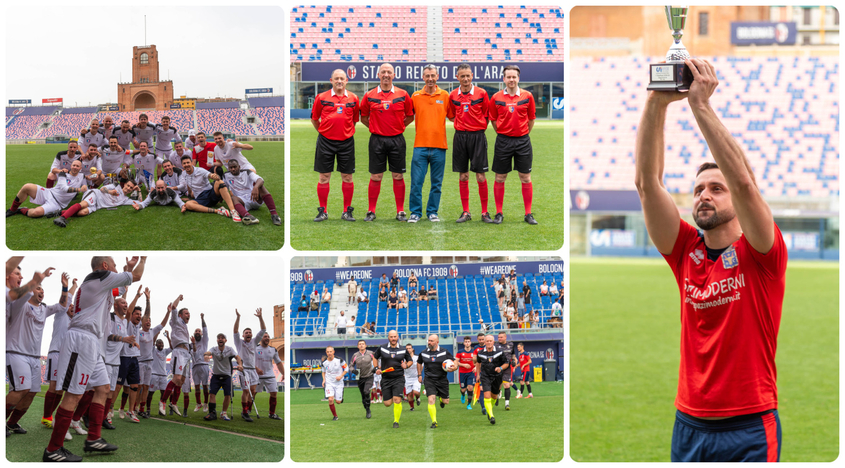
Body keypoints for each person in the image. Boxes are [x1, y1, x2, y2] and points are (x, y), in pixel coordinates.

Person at [635, 58, 787, 462]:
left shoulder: (762, 253)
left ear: (735, 199)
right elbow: (648, 185)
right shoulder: (686, 250)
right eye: (699, 188)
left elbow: (744, 182)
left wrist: (700, 105)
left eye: (716, 188)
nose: (704, 194)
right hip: (688, 421)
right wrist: (657, 101)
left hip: (750, 423)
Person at [42, 256, 145, 462]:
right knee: (74, 395)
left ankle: (93, 438)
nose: (116, 270)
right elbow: (137, 276)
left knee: (103, 388)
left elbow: (123, 287)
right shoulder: (101, 278)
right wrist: (143, 259)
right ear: (105, 267)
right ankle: (53, 450)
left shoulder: (103, 284)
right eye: (114, 266)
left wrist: (126, 268)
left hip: (92, 342)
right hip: (81, 339)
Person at [7, 269, 64, 436]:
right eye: (39, 289)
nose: (42, 292)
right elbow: (20, 294)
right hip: (16, 352)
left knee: (31, 392)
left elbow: (62, 306)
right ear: (31, 291)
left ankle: (12, 423)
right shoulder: (19, 305)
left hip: (34, 357)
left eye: (43, 290)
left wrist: (65, 288)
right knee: (20, 390)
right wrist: (36, 280)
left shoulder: (44, 309)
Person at [359, 63, 415, 222]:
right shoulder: (369, 95)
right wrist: (374, 128)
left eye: (389, 72)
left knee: (398, 175)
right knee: (376, 176)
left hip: (397, 139)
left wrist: (400, 126)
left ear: (394, 75)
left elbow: (410, 115)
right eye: (383, 72)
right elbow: (363, 117)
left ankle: (400, 211)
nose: (386, 74)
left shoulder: (403, 94)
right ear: (378, 75)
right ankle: (371, 211)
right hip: (377, 140)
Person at [489, 65, 538, 225]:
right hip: (503, 141)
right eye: (508, 77)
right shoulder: (496, 97)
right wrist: (504, 133)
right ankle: (499, 213)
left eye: (514, 77)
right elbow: (493, 120)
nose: (511, 80)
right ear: (504, 79)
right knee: (500, 177)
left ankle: (528, 214)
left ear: (518, 78)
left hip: (523, 141)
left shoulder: (527, 96)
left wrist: (522, 133)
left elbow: (531, 119)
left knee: (525, 177)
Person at [311, 69, 360, 222]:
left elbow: (354, 120)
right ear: (331, 80)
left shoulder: (354, 98)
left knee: (347, 177)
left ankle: (347, 211)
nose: (339, 81)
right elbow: (314, 119)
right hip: (326, 142)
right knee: (324, 176)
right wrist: (324, 131)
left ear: (347, 81)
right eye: (336, 78)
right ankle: (323, 211)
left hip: (346, 142)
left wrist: (344, 131)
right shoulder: (321, 98)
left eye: (342, 78)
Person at [448, 63, 493, 223]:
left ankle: (485, 212)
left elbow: (487, 115)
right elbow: (452, 115)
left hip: (478, 137)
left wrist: (476, 128)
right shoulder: (452, 95)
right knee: (463, 175)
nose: (465, 78)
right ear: (457, 77)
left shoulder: (482, 93)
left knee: (480, 176)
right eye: (462, 76)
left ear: (472, 76)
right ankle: (466, 212)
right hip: (460, 137)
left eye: (468, 75)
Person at [408, 65, 453, 222]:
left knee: (436, 184)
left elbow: (454, 116)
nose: (430, 78)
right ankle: (415, 212)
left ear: (437, 76)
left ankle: (432, 211)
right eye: (427, 75)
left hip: (440, 146)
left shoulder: (445, 95)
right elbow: (407, 116)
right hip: (419, 146)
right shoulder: (416, 96)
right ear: (423, 77)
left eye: (432, 75)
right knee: (416, 183)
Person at [41, 278, 78, 433]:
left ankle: (51, 416)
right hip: (56, 353)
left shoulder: (74, 322)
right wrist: (72, 286)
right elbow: (65, 300)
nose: (71, 307)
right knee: (54, 387)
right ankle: (46, 417)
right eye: (69, 305)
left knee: (61, 389)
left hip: (67, 357)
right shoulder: (61, 314)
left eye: (73, 307)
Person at [7, 160, 87, 219]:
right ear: (71, 166)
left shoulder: (82, 176)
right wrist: (79, 189)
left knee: (35, 213)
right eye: (74, 165)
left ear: (80, 168)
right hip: (49, 193)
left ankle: (21, 210)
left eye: (77, 166)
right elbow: (64, 188)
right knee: (27, 186)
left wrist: (85, 188)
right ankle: (12, 210)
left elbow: (85, 187)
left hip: (57, 204)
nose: (75, 167)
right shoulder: (63, 173)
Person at [51, 180, 139, 228]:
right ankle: (62, 218)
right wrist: (110, 192)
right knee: (84, 205)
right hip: (95, 195)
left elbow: (140, 202)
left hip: (97, 206)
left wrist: (138, 191)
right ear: (125, 185)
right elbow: (102, 189)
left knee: (82, 212)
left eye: (131, 188)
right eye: (128, 185)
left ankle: (59, 212)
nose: (128, 188)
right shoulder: (116, 186)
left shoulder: (126, 199)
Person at [372, 330, 413, 428]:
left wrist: (406, 365)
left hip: (399, 378)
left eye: (395, 337)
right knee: (387, 403)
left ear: (398, 337)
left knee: (397, 400)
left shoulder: (403, 349)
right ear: (388, 337)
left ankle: (396, 421)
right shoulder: (382, 348)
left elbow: (410, 361)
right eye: (391, 337)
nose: (393, 339)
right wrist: (376, 368)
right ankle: (390, 404)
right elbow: (375, 357)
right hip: (386, 378)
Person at [223, 158, 281, 225]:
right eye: (231, 167)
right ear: (228, 168)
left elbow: (260, 180)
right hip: (242, 202)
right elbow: (224, 189)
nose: (233, 169)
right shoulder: (226, 175)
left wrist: (256, 187)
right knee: (233, 197)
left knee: (261, 187)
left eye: (235, 167)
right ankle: (248, 216)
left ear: (239, 167)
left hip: (254, 198)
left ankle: (274, 215)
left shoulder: (247, 172)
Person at [137, 295, 169, 419]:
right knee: (139, 386)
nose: (149, 321)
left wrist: (168, 311)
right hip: (140, 362)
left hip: (149, 363)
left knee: (145, 387)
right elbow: (145, 313)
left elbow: (162, 324)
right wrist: (147, 300)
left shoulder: (151, 331)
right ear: (142, 322)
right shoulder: (138, 332)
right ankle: (133, 407)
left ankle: (142, 409)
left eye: (150, 320)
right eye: (147, 320)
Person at [157, 295, 189, 417]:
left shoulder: (184, 325)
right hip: (179, 352)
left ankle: (173, 403)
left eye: (189, 313)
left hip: (186, 354)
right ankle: (163, 401)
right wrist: (179, 298)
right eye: (186, 313)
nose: (188, 315)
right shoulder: (175, 321)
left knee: (181, 381)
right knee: (176, 378)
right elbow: (174, 306)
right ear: (180, 315)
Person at [233, 308, 266, 422]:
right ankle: (244, 412)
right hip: (243, 370)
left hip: (253, 370)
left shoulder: (254, 341)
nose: (248, 334)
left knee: (253, 391)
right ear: (243, 335)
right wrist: (238, 317)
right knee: (246, 391)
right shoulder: (239, 342)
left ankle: (248, 408)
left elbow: (263, 329)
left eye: (249, 332)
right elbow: (235, 330)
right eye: (246, 333)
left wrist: (260, 317)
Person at [417, 335, 456, 429]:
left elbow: (454, 361)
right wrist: (419, 374)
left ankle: (441, 399)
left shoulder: (444, 352)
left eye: (431, 341)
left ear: (437, 342)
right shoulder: (423, 353)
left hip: (442, 379)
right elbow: (419, 363)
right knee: (431, 399)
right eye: (428, 340)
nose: (429, 342)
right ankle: (434, 421)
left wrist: (455, 367)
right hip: (429, 379)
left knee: (446, 401)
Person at [202, 333, 243, 421]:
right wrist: (206, 355)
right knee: (212, 394)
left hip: (227, 375)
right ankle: (212, 413)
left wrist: (240, 364)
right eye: (219, 338)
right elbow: (208, 352)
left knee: (228, 395)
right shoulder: (214, 349)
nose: (220, 339)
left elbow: (238, 357)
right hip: (216, 375)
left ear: (225, 340)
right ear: (217, 340)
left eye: (222, 338)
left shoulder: (230, 349)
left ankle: (223, 413)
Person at [474, 334, 509, 425]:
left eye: (490, 341)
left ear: (493, 342)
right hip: (485, 376)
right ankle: (491, 416)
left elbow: (506, 363)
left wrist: (500, 368)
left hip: (497, 377)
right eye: (487, 341)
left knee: (494, 396)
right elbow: (478, 363)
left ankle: (490, 411)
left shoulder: (500, 352)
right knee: (487, 396)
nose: (489, 342)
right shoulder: (480, 353)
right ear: (484, 342)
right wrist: (478, 374)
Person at [255, 331, 283, 420]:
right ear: (260, 339)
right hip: (257, 376)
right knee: (252, 393)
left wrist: (284, 373)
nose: (267, 338)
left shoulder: (273, 350)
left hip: (270, 375)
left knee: (274, 393)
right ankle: (246, 411)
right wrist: (256, 369)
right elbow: (249, 361)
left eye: (268, 336)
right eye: (265, 336)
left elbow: (278, 363)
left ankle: (272, 413)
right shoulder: (255, 349)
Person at [349, 340, 377, 418]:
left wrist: (376, 368)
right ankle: (366, 407)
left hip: (369, 376)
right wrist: (353, 370)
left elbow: (376, 361)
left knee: (366, 391)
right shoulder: (355, 355)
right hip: (360, 377)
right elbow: (351, 365)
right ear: (358, 346)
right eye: (360, 344)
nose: (361, 345)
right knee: (363, 396)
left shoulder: (371, 353)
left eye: (363, 344)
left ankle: (368, 410)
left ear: (366, 345)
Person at [189, 313, 209, 413]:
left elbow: (205, 329)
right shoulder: (192, 344)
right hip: (195, 366)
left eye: (199, 331)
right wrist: (192, 344)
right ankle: (198, 403)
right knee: (196, 386)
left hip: (204, 365)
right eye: (196, 331)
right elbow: (194, 352)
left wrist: (202, 319)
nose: (197, 332)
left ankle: (206, 403)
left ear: (201, 334)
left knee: (205, 386)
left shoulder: (204, 341)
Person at [321, 346, 347, 421]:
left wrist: (341, 376)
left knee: (338, 402)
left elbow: (346, 368)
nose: (329, 353)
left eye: (330, 351)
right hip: (329, 383)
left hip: (338, 383)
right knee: (330, 399)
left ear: (333, 352)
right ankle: (335, 416)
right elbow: (323, 372)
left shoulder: (339, 360)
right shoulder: (324, 363)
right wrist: (324, 380)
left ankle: (340, 397)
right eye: (328, 352)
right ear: (326, 352)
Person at [455, 336, 478, 409]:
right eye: (466, 342)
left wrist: (475, 367)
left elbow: (478, 362)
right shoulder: (460, 352)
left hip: (471, 373)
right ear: (464, 343)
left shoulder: (474, 352)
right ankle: (462, 394)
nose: (467, 343)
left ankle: (469, 404)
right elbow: (456, 362)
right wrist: (463, 364)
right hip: (462, 373)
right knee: (463, 389)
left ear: (470, 343)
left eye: (468, 342)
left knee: (470, 388)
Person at [495, 331, 516, 410]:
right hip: (498, 368)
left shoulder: (510, 344)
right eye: (498, 337)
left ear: (505, 337)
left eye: (501, 337)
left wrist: (513, 360)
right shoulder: (495, 345)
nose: (499, 339)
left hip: (507, 368)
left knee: (506, 385)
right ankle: (496, 397)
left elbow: (513, 353)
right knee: (498, 386)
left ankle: (507, 404)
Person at [402, 344, 421, 411]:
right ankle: (412, 407)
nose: (408, 349)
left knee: (415, 392)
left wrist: (419, 374)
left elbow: (421, 366)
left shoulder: (417, 358)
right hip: (407, 378)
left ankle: (418, 398)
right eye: (407, 348)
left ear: (412, 349)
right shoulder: (403, 359)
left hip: (415, 377)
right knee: (409, 394)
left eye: (409, 348)